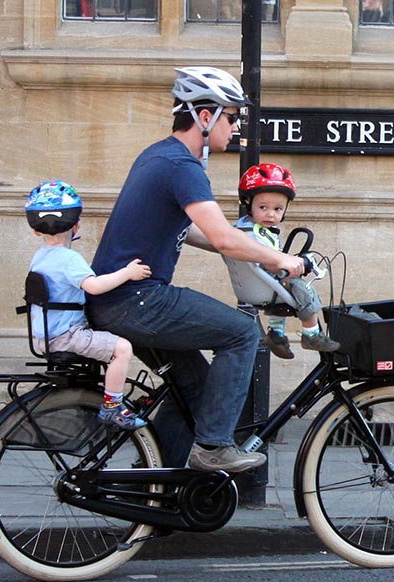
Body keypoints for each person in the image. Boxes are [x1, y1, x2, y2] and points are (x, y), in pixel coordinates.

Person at [86, 66, 305, 473]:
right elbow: (222, 236)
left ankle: (157, 486)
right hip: (139, 300)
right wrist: (281, 259)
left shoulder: (159, 155)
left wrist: (247, 249)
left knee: (197, 388)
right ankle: (214, 448)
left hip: (117, 301)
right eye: (231, 117)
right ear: (205, 117)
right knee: (241, 333)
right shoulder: (181, 167)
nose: (235, 128)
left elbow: (198, 232)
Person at [24, 180, 152, 430]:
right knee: (122, 349)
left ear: (36, 231)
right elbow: (94, 286)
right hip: (67, 336)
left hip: (47, 335)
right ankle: (113, 406)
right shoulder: (69, 258)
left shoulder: (40, 257)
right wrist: (128, 273)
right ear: (76, 224)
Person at [236, 163, 340, 360]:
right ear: (248, 202)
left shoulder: (244, 227)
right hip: (266, 284)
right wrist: (294, 266)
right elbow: (266, 260)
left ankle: (276, 333)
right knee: (303, 288)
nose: (270, 214)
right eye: (263, 207)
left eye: (277, 209)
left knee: (284, 291)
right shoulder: (254, 234)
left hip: (262, 285)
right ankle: (311, 333)